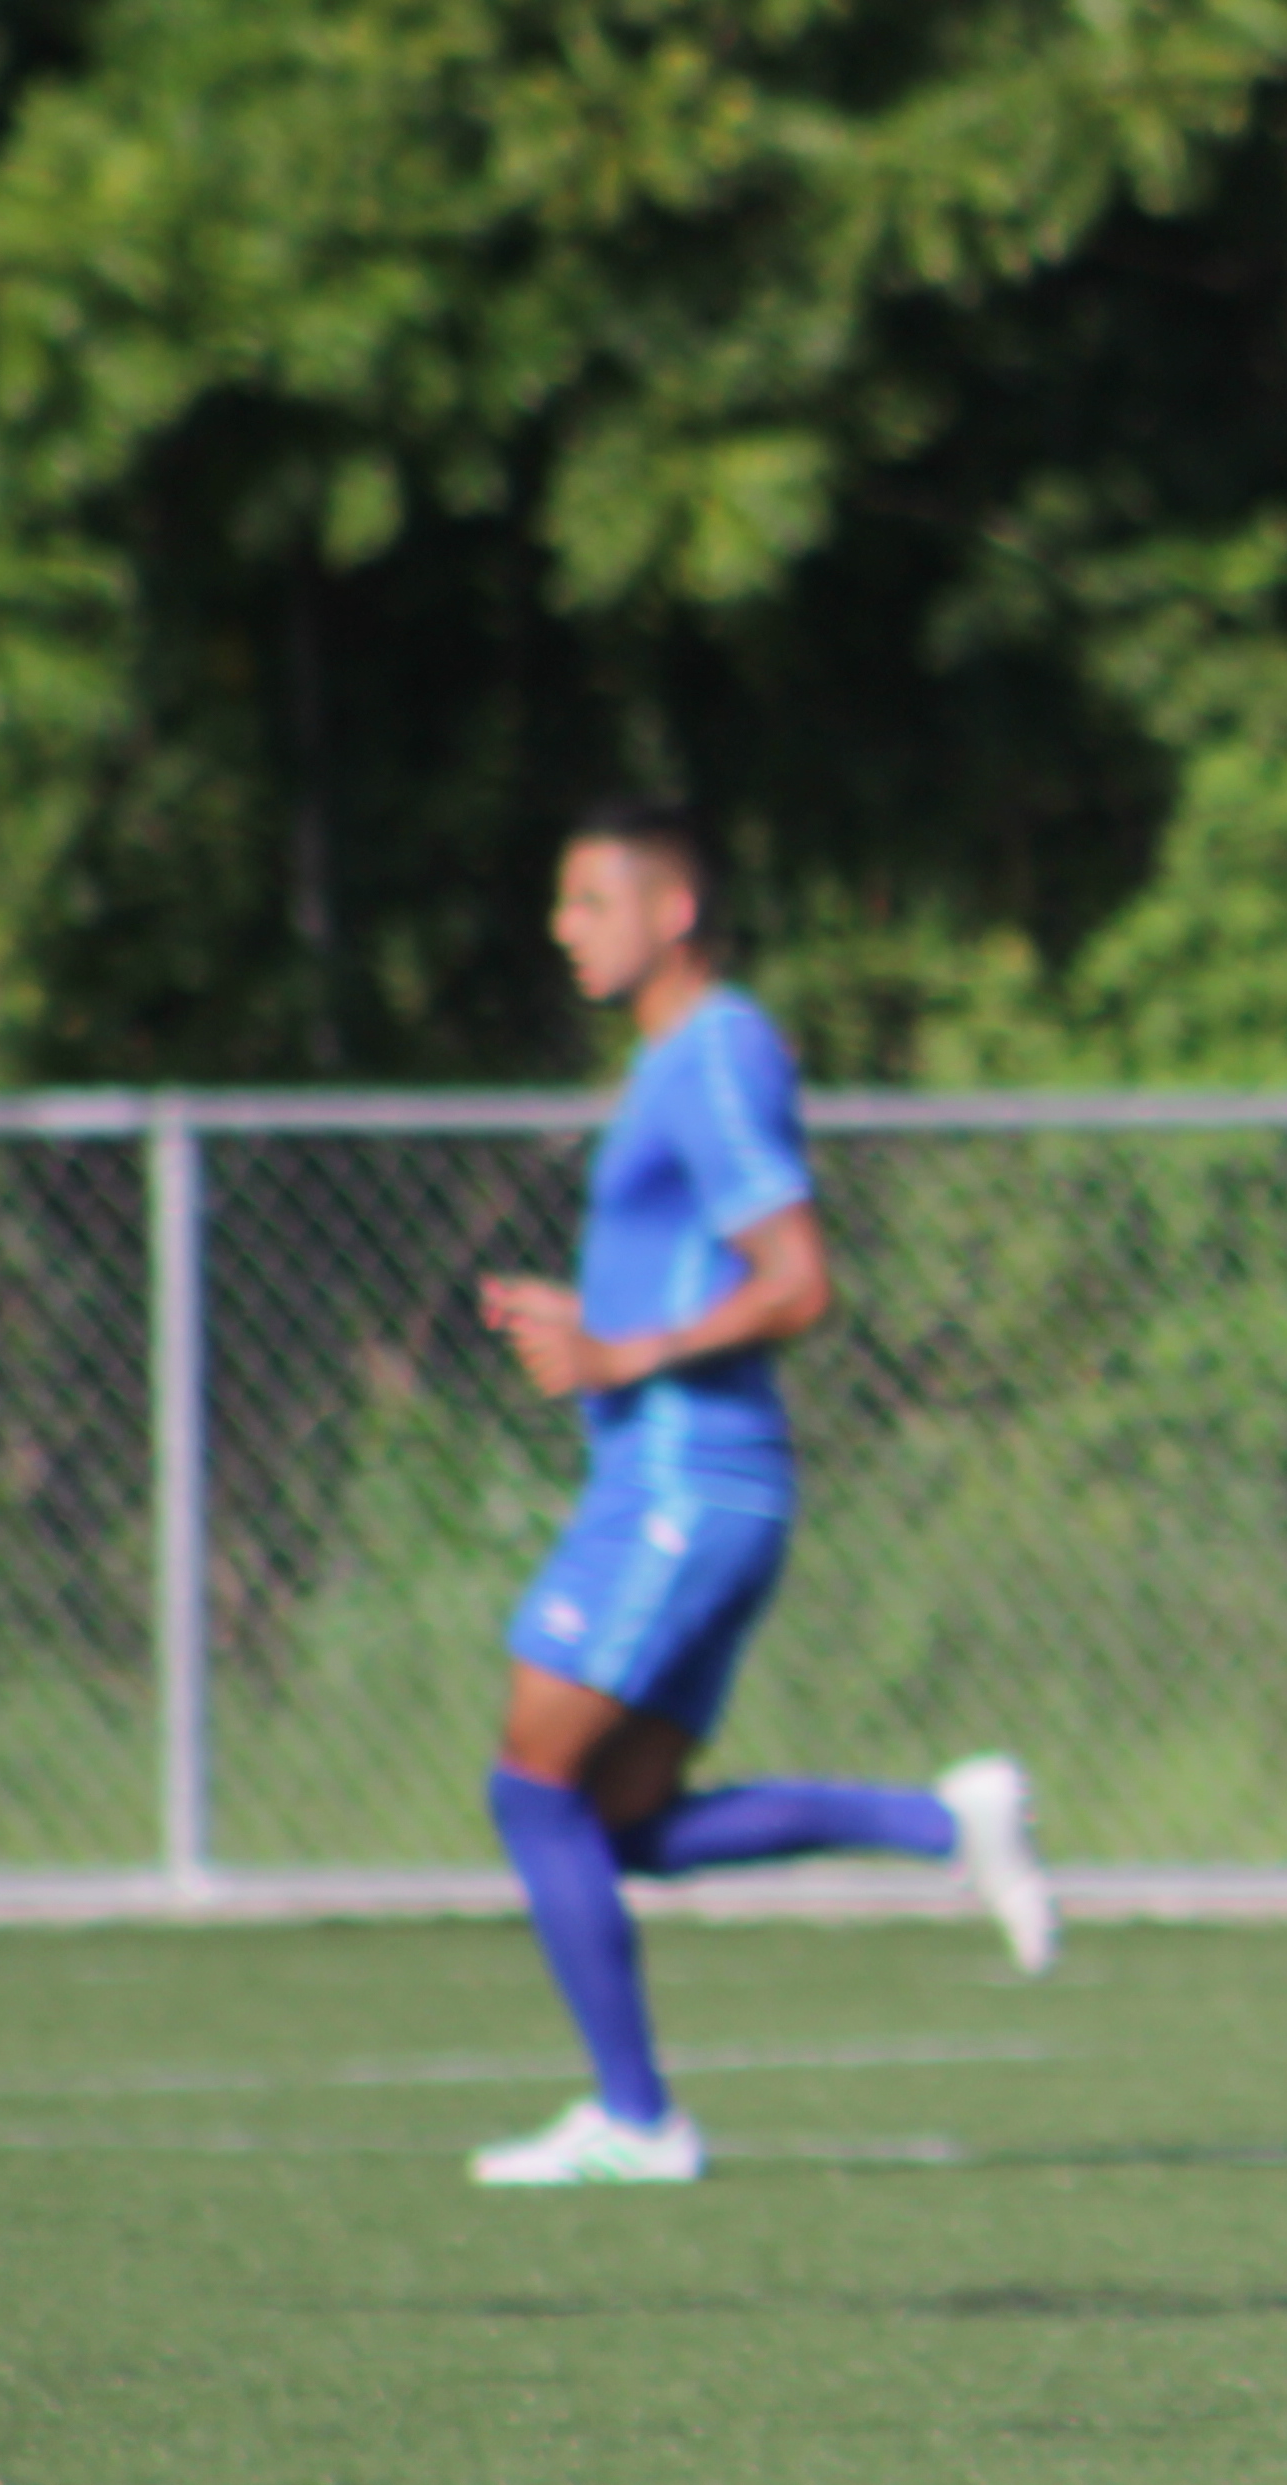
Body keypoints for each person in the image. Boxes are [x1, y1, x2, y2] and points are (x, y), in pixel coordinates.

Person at [464, 801, 1053, 2188]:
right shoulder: (680, 1060)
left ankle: (638, 2121)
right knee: (620, 1825)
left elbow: (798, 1280)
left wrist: (623, 1352)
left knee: (531, 1785)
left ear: (671, 913)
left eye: (589, 903)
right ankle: (942, 1824)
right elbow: (692, 1268)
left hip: (683, 1484)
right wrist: (593, 1325)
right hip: (674, 1478)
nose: (564, 930)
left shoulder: (716, 1051)